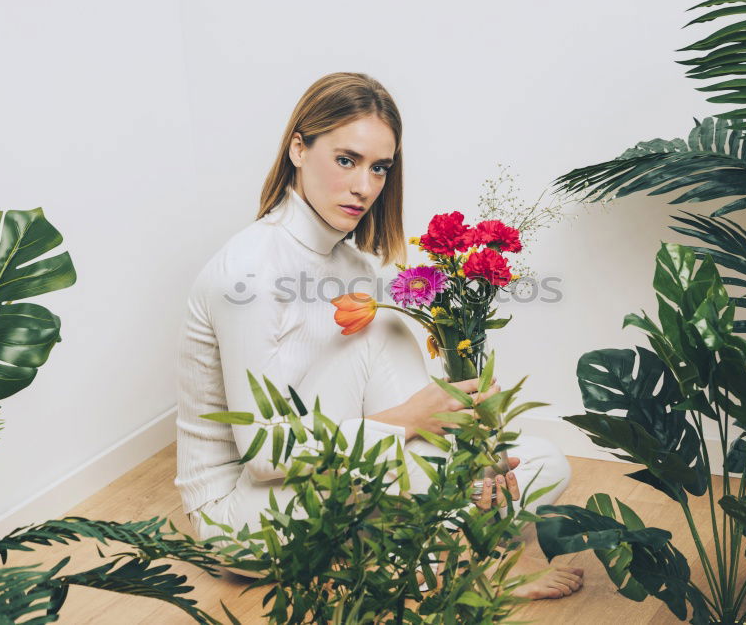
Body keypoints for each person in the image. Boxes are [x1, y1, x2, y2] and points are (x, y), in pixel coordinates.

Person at [174, 72, 583, 600]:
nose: (364, 186)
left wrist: (469, 439)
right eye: (346, 160)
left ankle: (423, 539)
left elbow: (385, 398)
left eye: (379, 168)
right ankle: (449, 557)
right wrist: (411, 420)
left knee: (546, 461)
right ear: (299, 148)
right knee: (386, 330)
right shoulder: (249, 272)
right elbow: (264, 453)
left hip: (338, 478)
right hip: (246, 515)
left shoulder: (355, 265)